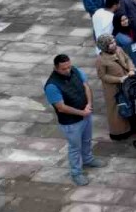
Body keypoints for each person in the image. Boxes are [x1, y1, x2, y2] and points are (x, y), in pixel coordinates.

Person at [44, 54, 103, 186]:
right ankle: (76, 173)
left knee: (87, 140)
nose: (68, 70)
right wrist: (82, 112)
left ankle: (88, 159)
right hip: (71, 122)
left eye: (69, 67)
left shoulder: (75, 70)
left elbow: (86, 86)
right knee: (75, 148)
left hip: (85, 114)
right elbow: (61, 107)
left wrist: (89, 104)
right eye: (64, 68)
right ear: (56, 68)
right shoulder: (52, 86)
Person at [95, 34, 136, 141]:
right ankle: (119, 132)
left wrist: (131, 69)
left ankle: (133, 126)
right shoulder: (101, 60)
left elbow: (127, 59)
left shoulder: (119, 49)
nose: (114, 44)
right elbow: (102, 76)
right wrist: (119, 79)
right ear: (105, 47)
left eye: (114, 41)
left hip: (127, 83)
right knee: (116, 109)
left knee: (130, 103)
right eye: (110, 44)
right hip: (113, 88)